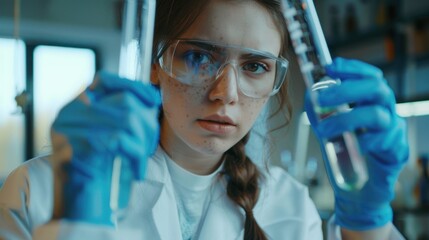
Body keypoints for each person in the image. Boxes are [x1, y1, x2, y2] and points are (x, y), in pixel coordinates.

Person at [0, 0, 409, 239]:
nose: (225, 93)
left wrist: (368, 225)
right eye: (198, 56)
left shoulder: (289, 207)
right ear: (156, 64)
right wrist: (76, 222)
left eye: (254, 66)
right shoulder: (35, 192)